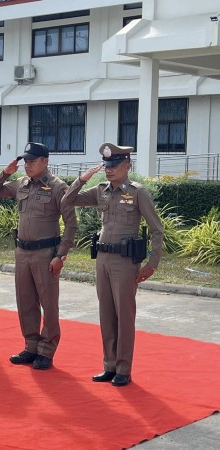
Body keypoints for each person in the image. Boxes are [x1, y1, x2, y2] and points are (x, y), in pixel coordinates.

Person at [61, 143, 164, 387]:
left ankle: (123, 368)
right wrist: (82, 179)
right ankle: (109, 365)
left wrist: (152, 263)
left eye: (114, 165)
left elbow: (157, 230)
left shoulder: (138, 193)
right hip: (103, 259)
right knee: (106, 314)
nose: (109, 169)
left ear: (127, 166)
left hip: (125, 262)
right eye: (107, 165)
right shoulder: (100, 191)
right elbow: (67, 200)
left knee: (124, 316)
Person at [0, 142, 77, 370]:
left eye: (32, 161)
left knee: (49, 304)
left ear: (45, 161)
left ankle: (47, 350)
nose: (27, 165)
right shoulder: (21, 183)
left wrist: (61, 255)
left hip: (46, 253)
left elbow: (71, 225)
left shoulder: (58, 187)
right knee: (25, 302)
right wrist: (5, 173)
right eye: (26, 161)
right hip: (22, 252)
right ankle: (31, 346)